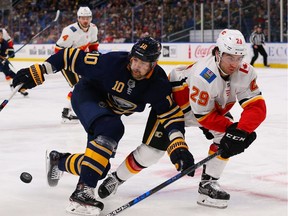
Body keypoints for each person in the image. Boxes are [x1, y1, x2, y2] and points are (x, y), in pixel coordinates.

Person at [12, 36, 195, 215]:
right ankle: (81, 194)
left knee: (99, 169)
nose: (136, 67)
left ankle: (58, 161)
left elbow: (170, 116)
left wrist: (178, 146)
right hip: (88, 97)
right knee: (113, 128)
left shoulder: (158, 84)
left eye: (143, 63)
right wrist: (37, 71)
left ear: (153, 64)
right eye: (135, 60)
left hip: (108, 114)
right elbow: (68, 56)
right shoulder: (111, 63)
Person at [98, 29, 267, 209]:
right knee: (151, 153)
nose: (234, 63)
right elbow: (204, 117)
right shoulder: (204, 75)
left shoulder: (246, 72)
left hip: (208, 108)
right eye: (229, 57)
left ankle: (208, 184)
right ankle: (116, 178)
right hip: (174, 105)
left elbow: (256, 107)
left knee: (225, 139)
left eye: (238, 57)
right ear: (218, 53)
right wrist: (235, 130)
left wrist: (241, 131)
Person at [55, 6, 99, 123]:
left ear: (91, 18)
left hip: (80, 61)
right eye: (83, 18)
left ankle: (66, 110)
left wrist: (95, 56)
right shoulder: (70, 31)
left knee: (82, 85)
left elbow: (93, 45)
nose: (85, 20)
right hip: (67, 62)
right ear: (78, 18)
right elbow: (58, 50)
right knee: (78, 86)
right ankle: (67, 111)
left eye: (88, 18)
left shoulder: (93, 28)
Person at [0, 28, 28, 96]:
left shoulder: (4, 42)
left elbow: (8, 48)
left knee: (12, 73)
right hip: (1, 60)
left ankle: (19, 88)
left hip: (3, 61)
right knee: (8, 73)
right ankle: (12, 86)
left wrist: (11, 52)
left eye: (1, 34)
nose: (0, 36)